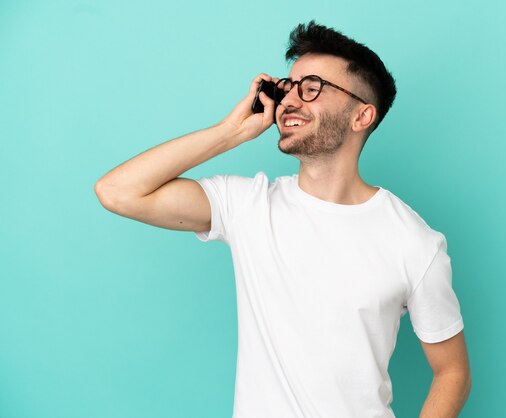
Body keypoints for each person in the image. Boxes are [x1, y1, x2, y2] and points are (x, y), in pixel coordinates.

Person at [95, 20, 471, 418]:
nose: (290, 101)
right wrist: (230, 133)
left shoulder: (414, 242)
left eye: (312, 88)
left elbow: (452, 371)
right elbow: (118, 191)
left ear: (362, 116)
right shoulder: (248, 205)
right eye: (288, 87)